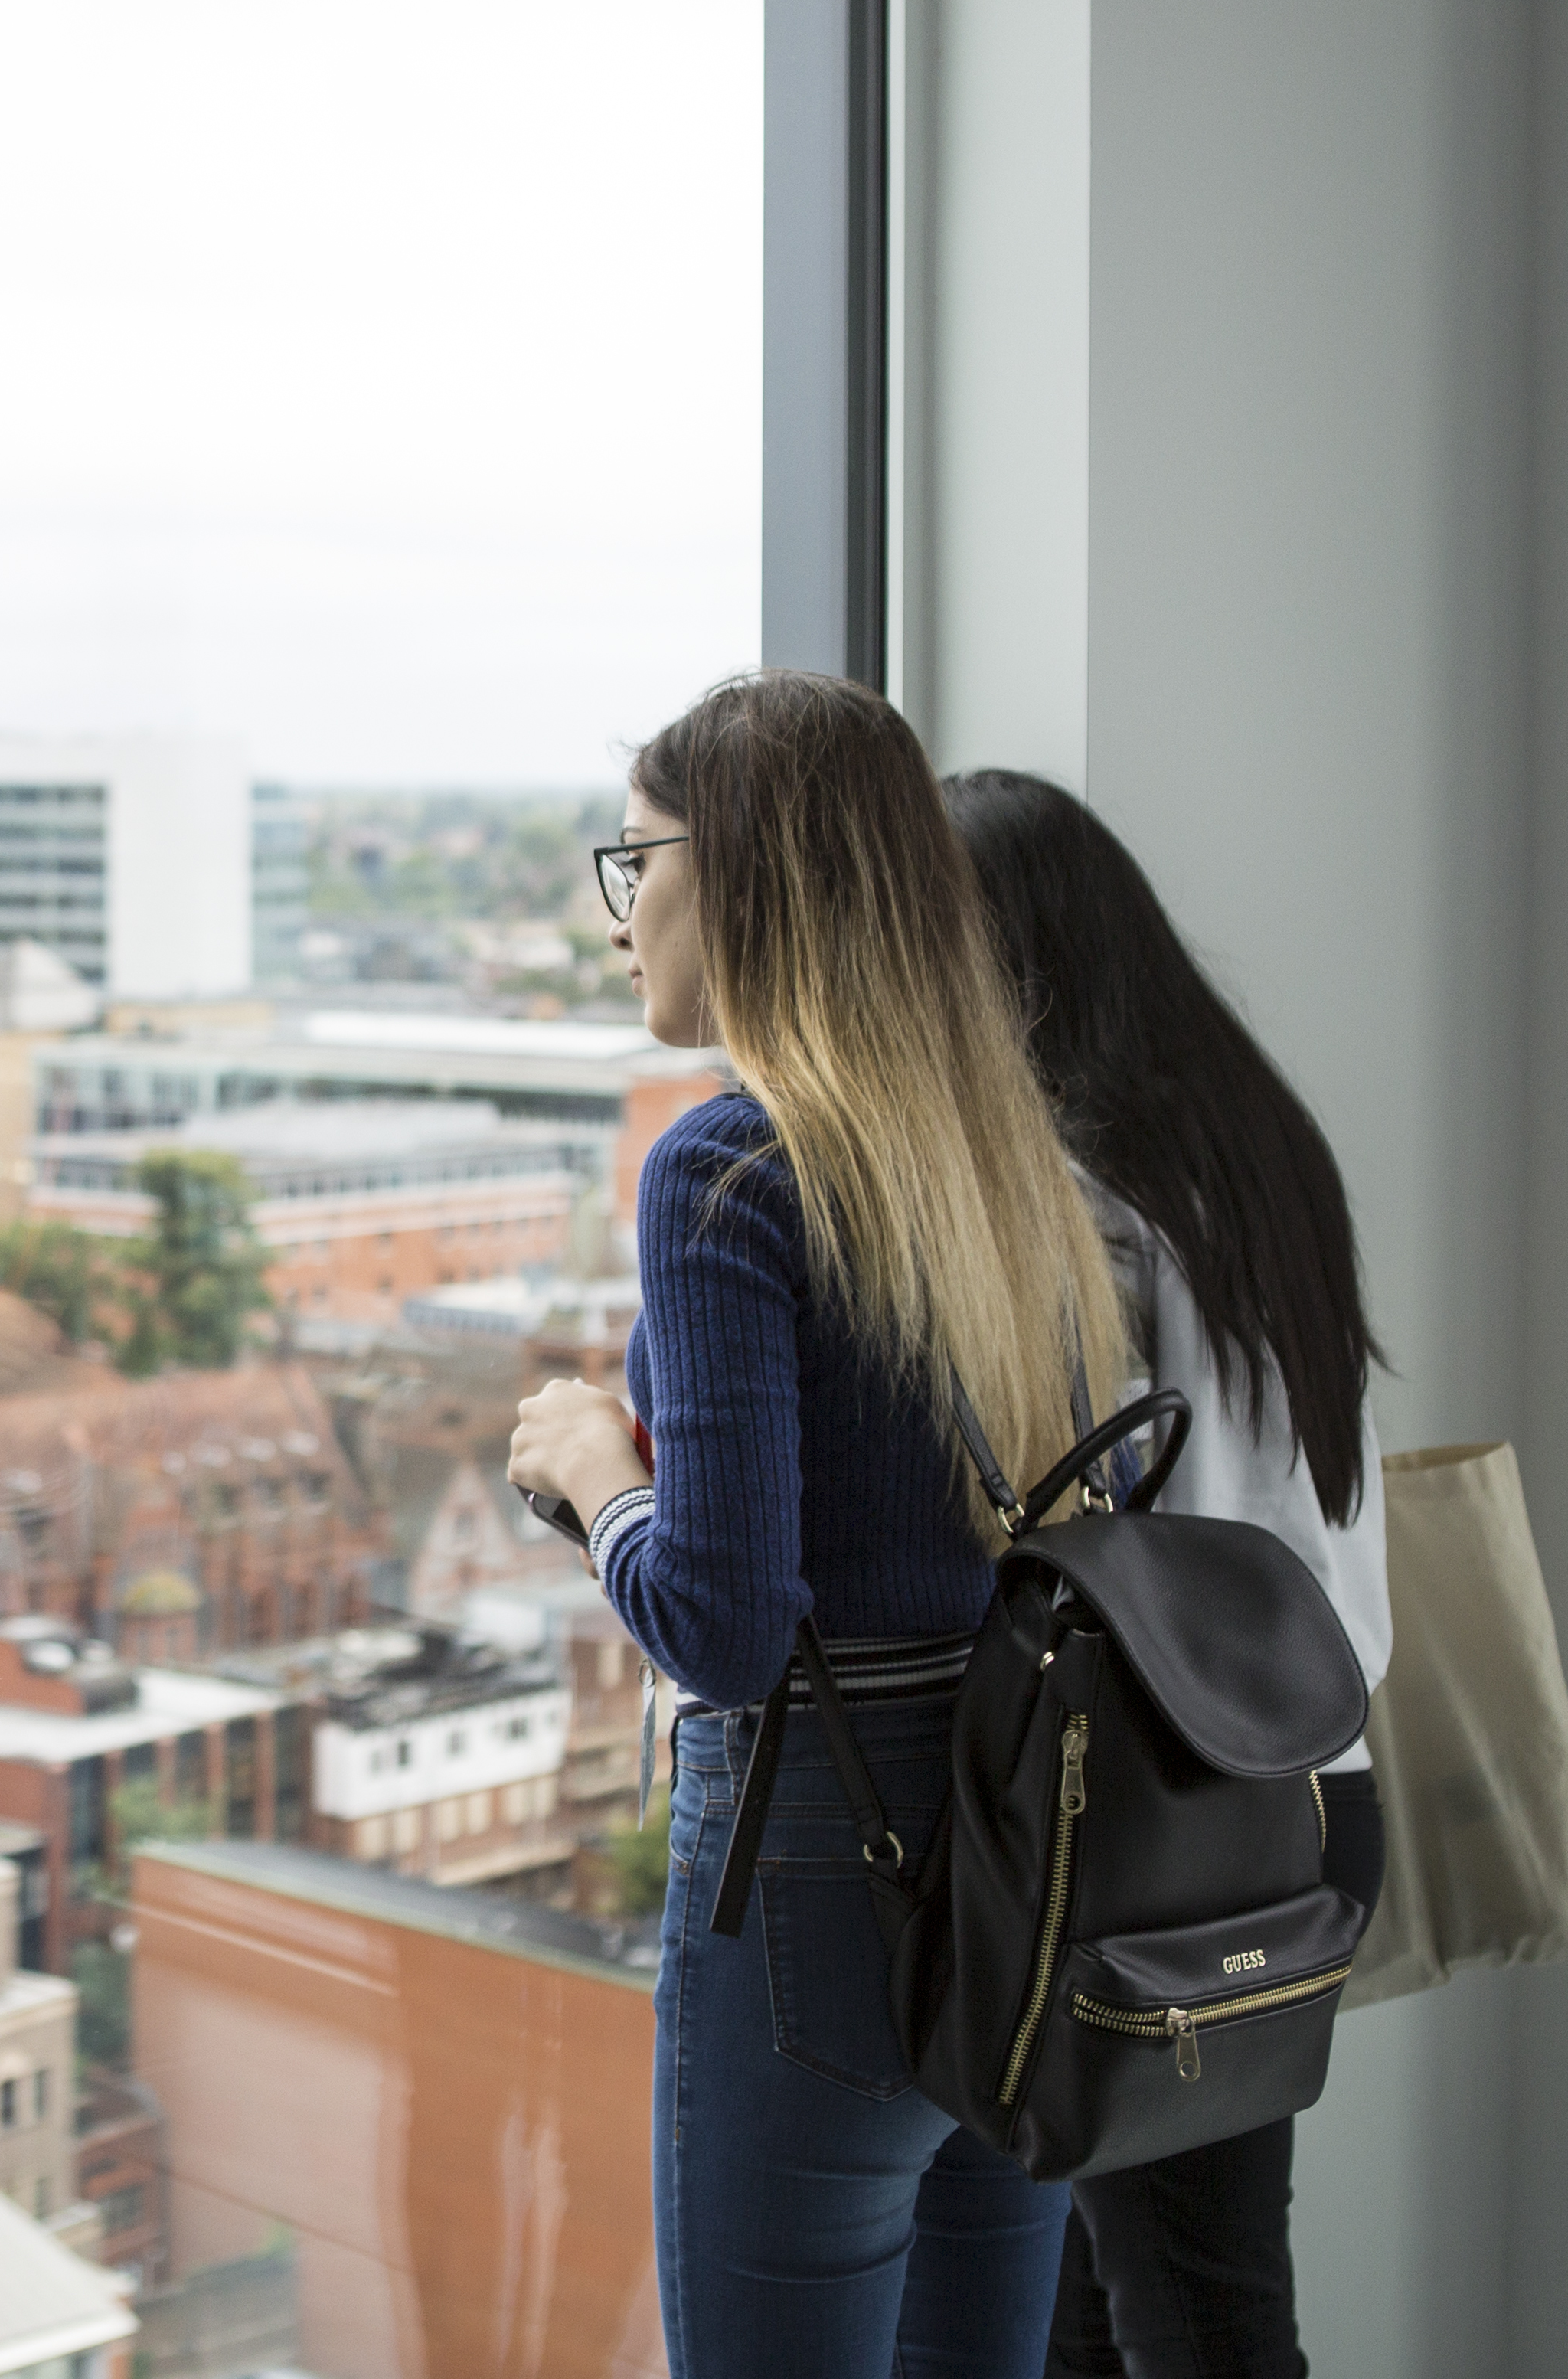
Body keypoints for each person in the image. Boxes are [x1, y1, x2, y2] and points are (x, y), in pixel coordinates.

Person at [508, 672, 1131, 2379]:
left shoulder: (726, 1172)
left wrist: (589, 1467)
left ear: (750, 875)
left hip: (816, 1861)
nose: (624, 919)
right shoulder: (1016, 1169)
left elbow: (720, 1619)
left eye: (639, 863)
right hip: (1028, 1848)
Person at [940, 767, 1395, 2379]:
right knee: (1134, 2290)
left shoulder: (1073, 1206)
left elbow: (1026, 1505)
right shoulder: (1263, 1154)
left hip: (1150, 1814)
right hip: (1313, 1781)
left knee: (1181, 2311)